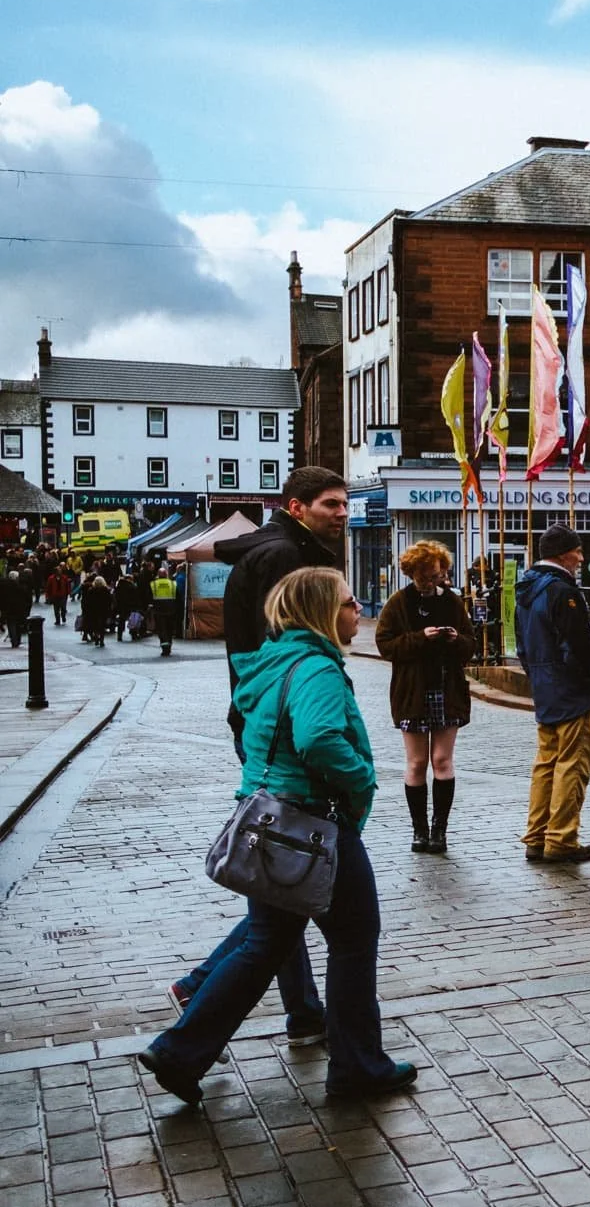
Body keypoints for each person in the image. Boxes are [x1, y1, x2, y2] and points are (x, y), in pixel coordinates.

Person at [139, 567, 416, 1106]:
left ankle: (179, 1050)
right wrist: (362, 779)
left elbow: (256, 730)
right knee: (355, 940)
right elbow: (318, 739)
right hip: (314, 824)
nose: (357, 610)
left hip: (268, 819)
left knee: (266, 943)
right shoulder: (317, 667)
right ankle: (358, 1065)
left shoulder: (272, 663)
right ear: (320, 612)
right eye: (348, 602)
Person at [217, 467, 351, 745]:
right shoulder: (283, 556)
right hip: (278, 723)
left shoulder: (283, 549)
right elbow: (279, 644)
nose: (343, 513)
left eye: (344, 504)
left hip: (268, 716)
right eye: (331, 504)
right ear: (297, 508)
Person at [515, 524, 590, 865]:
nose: (581, 558)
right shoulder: (561, 590)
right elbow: (578, 646)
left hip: (545, 684)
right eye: (577, 551)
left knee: (546, 763)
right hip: (569, 688)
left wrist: (537, 676)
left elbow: (522, 646)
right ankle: (562, 838)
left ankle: (537, 835)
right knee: (573, 764)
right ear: (561, 554)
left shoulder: (526, 588)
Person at [375, 541, 475, 855]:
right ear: (411, 573)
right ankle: (419, 829)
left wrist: (457, 639)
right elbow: (385, 645)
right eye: (423, 576)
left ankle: (439, 829)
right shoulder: (398, 603)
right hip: (413, 691)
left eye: (434, 575)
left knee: (442, 761)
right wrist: (421, 638)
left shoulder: (454, 602)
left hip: (447, 689)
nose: (429, 581)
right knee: (417, 762)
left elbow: (471, 645)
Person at [150, 563, 180, 656]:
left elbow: (149, 596)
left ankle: (164, 647)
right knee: (169, 628)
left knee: (161, 629)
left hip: (158, 609)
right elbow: (178, 597)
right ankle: (169, 646)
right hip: (171, 609)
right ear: (167, 574)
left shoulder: (153, 584)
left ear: (158, 575)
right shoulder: (172, 583)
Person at [78, 574, 111, 647]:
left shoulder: (91, 590)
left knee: (95, 625)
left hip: (93, 610)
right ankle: (102, 640)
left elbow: (88, 601)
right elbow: (109, 601)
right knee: (102, 626)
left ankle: (96, 638)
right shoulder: (106, 590)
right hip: (103, 610)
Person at [0, 569, 27, 647]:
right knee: (18, 625)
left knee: (11, 624)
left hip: (8, 608)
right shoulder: (20, 586)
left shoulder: (4, 586)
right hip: (18, 608)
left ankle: (14, 640)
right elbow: (24, 597)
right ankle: (17, 641)